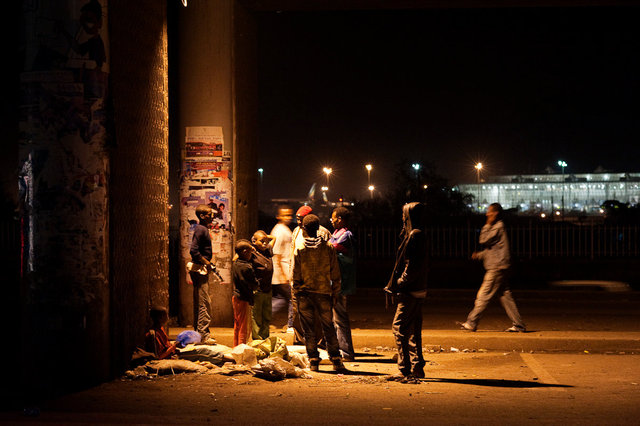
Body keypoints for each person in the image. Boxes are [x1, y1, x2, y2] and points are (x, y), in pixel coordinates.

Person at [459, 203, 526, 333]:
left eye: (489, 212)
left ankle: (471, 322)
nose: (487, 214)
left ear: (495, 213)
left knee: (483, 295)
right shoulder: (499, 227)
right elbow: (493, 249)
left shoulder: (497, 226)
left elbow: (483, 240)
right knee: (506, 297)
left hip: (497, 267)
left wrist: (487, 224)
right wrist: (479, 255)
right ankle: (519, 325)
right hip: (500, 266)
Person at [292, 214, 345, 372]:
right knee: (328, 327)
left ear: (304, 229)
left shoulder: (300, 249)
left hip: (304, 294)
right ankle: (336, 360)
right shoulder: (328, 247)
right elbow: (335, 273)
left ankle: (313, 361)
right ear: (318, 228)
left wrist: (296, 292)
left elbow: (295, 274)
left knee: (308, 329)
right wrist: (335, 292)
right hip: (324, 292)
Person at [384, 202, 428, 383]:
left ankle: (404, 369)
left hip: (410, 290)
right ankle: (418, 367)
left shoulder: (414, 235)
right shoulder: (419, 233)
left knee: (399, 328)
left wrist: (400, 283)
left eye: (404, 215)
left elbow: (411, 265)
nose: (402, 218)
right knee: (413, 331)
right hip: (418, 288)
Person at [290, 205, 330, 345]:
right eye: (297, 219)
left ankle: (319, 341)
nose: (299, 222)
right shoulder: (295, 231)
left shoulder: (323, 233)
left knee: (317, 314)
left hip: (316, 282)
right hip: (297, 280)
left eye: (301, 219)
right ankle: (301, 340)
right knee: (297, 312)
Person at [329, 206, 356, 362]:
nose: (331, 220)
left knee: (340, 317)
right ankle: (340, 350)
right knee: (336, 318)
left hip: (341, 282)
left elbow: (333, 249)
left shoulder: (346, 235)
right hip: (337, 280)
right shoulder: (337, 234)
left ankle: (346, 352)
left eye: (333, 218)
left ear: (339, 219)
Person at [189, 204, 217, 345]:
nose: (212, 216)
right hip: (200, 270)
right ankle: (203, 335)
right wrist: (207, 262)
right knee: (204, 303)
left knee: (201, 302)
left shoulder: (201, 229)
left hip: (199, 270)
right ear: (202, 216)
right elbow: (193, 251)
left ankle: (199, 334)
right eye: (209, 214)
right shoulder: (201, 229)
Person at [270, 206, 294, 333]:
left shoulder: (283, 229)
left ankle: (264, 319)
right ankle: (291, 325)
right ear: (278, 216)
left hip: (283, 270)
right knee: (291, 299)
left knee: (280, 298)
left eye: (290, 215)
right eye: (285, 215)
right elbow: (277, 253)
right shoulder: (279, 231)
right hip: (282, 271)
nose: (288, 217)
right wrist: (283, 275)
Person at [232, 240, 260, 346]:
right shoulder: (247, 267)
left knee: (237, 324)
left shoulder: (236, 263)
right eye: (249, 252)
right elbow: (254, 283)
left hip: (236, 297)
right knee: (244, 326)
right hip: (244, 298)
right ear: (244, 252)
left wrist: (250, 248)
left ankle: (236, 347)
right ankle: (242, 349)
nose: (251, 254)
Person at [250, 230, 275, 340]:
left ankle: (265, 339)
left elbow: (273, 238)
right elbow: (235, 258)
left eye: (266, 241)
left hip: (268, 289)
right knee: (257, 317)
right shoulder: (252, 253)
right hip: (258, 290)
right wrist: (252, 243)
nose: (265, 243)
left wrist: (264, 237)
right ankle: (257, 340)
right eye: (262, 241)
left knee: (267, 316)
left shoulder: (268, 250)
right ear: (254, 241)